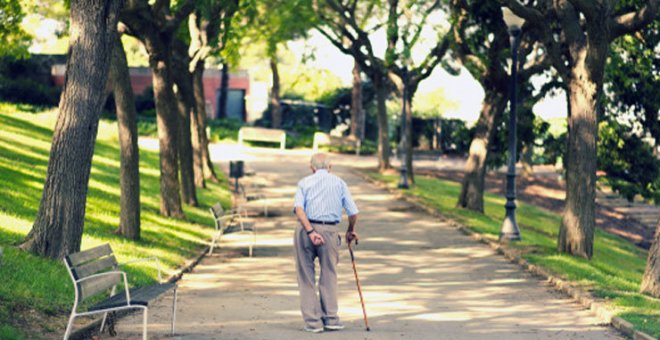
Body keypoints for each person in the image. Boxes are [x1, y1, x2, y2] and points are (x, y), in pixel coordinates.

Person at [293, 153, 359, 333]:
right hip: (330, 231)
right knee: (329, 274)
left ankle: (313, 322)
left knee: (306, 276)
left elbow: (299, 210)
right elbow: (353, 212)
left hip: (305, 231)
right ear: (330, 167)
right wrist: (350, 229)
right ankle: (331, 318)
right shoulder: (339, 183)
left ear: (311, 167)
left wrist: (311, 231)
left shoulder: (304, 183)